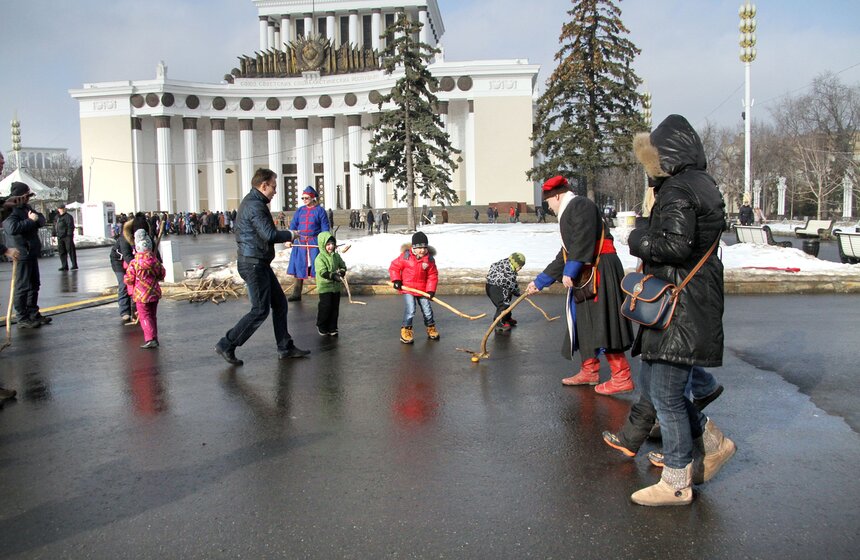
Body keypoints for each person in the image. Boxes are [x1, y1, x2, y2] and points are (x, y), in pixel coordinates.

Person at [615, 114, 735, 506]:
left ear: (667, 155)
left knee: (666, 395)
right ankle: (710, 442)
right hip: (689, 301)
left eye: (653, 159)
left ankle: (677, 482)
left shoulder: (679, 188)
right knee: (658, 387)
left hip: (679, 308)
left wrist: (637, 238)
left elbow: (675, 246)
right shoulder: (700, 183)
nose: (651, 167)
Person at [526, 175, 634, 396]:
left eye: (548, 201)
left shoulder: (580, 205)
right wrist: (540, 281)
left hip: (601, 268)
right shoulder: (570, 210)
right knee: (583, 322)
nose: (549, 207)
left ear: (557, 196)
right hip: (588, 271)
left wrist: (571, 269)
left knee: (604, 322)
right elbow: (567, 252)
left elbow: (582, 241)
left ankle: (622, 377)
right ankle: (590, 370)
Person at [215, 168, 309, 365]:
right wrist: (291, 234)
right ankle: (227, 343)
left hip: (258, 262)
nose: (275, 191)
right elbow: (269, 234)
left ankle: (285, 347)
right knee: (259, 310)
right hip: (253, 264)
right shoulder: (255, 205)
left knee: (280, 304)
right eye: (273, 186)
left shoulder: (254, 202)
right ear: (263, 185)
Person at [2, 182, 49, 329]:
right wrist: (30, 221)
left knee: (34, 284)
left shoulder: (27, 208)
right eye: (26, 195)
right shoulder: (10, 210)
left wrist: (35, 219)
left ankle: (33, 313)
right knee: (22, 287)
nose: (28, 198)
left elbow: (41, 219)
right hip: (20, 253)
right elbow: (12, 228)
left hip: (31, 252)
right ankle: (22, 317)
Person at [389, 231, 439, 344]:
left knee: (427, 310)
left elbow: (432, 276)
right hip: (408, 288)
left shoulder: (429, 260)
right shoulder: (405, 257)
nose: (422, 250)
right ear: (414, 248)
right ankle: (406, 331)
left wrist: (431, 290)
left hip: (423, 290)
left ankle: (431, 327)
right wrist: (396, 280)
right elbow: (394, 267)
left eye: (424, 247)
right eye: (419, 248)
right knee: (411, 310)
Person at [287, 186, 330, 302]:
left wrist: (326, 241)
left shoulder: (320, 211)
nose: (304, 200)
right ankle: (296, 293)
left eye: (306, 198)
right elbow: (293, 225)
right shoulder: (300, 210)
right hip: (300, 243)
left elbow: (325, 228)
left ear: (312, 198)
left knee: (318, 267)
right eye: (303, 198)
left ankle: (323, 293)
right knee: (299, 267)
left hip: (314, 243)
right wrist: (289, 239)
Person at [124, 230, 165, 349]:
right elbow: (162, 274)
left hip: (141, 294)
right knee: (152, 315)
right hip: (154, 292)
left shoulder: (134, 263)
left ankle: (150, 338)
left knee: (144, 316)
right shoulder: (155, 261)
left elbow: (129, 279)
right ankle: (154, 336)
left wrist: (127, 280)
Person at [314, 231, 347, 336]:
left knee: (334, 308)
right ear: (323, 245)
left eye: (332, 244)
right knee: (326, 306)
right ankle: (322, 325)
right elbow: (322, 272)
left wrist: (342, 271)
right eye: (328, 244)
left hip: (336, 287)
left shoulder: (336, 256)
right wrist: (333, 276)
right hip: (325, 287)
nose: (331, 246)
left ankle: (332, 327)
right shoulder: (320, 258)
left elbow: (343, 265)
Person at [486, 252, 525, 333]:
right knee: (503, 305)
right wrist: (518, 293)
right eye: (520, 266)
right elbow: (512, 285)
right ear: (515, 264)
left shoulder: (504, 263)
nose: (521, 268)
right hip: (495, 289)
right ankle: (499, 323)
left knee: (506, 301)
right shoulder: (509, 274)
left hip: (490, 285)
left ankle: (507, 318)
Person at [55, 204, 78, 270]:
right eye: (60, 208)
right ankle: (64, 265)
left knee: (71, 251)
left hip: (67, 236)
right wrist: (54, 234)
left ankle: (74, 265)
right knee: (61, 251)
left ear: (64, 209)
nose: (61, 210)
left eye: (62, 208)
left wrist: (69, 235)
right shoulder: (57, 217)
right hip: (60, 236)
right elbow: (55, 226)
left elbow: (70, 226)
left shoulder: (68, 217)